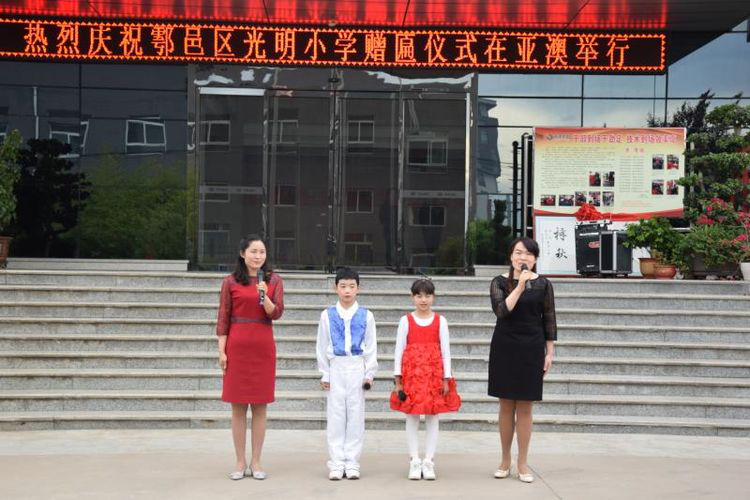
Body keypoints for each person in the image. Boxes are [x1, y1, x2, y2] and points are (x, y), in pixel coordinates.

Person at [488, 237, 557, 484]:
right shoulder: (499, 282)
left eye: (528, 254)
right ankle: (505, 459)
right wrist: (519, 286)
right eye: (518, 252)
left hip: (532, 347)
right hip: (505, 346)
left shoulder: (544, 284)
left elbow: (549, 318)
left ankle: (523, 462)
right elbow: (501, 311)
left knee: (526, 406)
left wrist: (549, 352)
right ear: (511, 256)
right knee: (506, 405)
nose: (523, 257)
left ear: (535, 259)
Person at [216, 235, 284, 481]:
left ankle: (256, 461)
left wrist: (265, 296)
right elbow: (223, 317)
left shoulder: (273, 280)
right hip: (237, 347)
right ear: (242, 253)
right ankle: (239, 461)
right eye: (253, 251)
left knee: (260, 406)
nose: (258, 256)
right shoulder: (230, 281)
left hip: (263, 347)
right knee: (237, 407)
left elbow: (276, 313)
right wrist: (221, 350)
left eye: (262, 252)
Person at [390, 278, 461, 481]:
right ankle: (414, 460)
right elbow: (399, 351)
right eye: (419, 296)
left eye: (428, 296)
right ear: (412, 297)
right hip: (412, 375)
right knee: (411, 416)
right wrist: (398, 379)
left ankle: (429, 461)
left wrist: (446, 378)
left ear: (433, 297)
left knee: (433, 416)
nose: (423, 300)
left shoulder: (441, 321)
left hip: (433, 375)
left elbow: (446, 351)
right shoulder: (405, 321)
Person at [316, 267, 378, 480]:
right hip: (336, 366)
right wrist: (324, 373)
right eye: (343, 286)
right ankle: (336, 462)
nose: (347, 291)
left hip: (357, 366)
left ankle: (352, 461)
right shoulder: (327, 315)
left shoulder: (366, 315)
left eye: (352, 286)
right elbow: (321, 345)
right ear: (336, 288)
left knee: (355, 415)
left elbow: (371, 346)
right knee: (335, 416)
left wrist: (369, 373)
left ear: (358, 288)